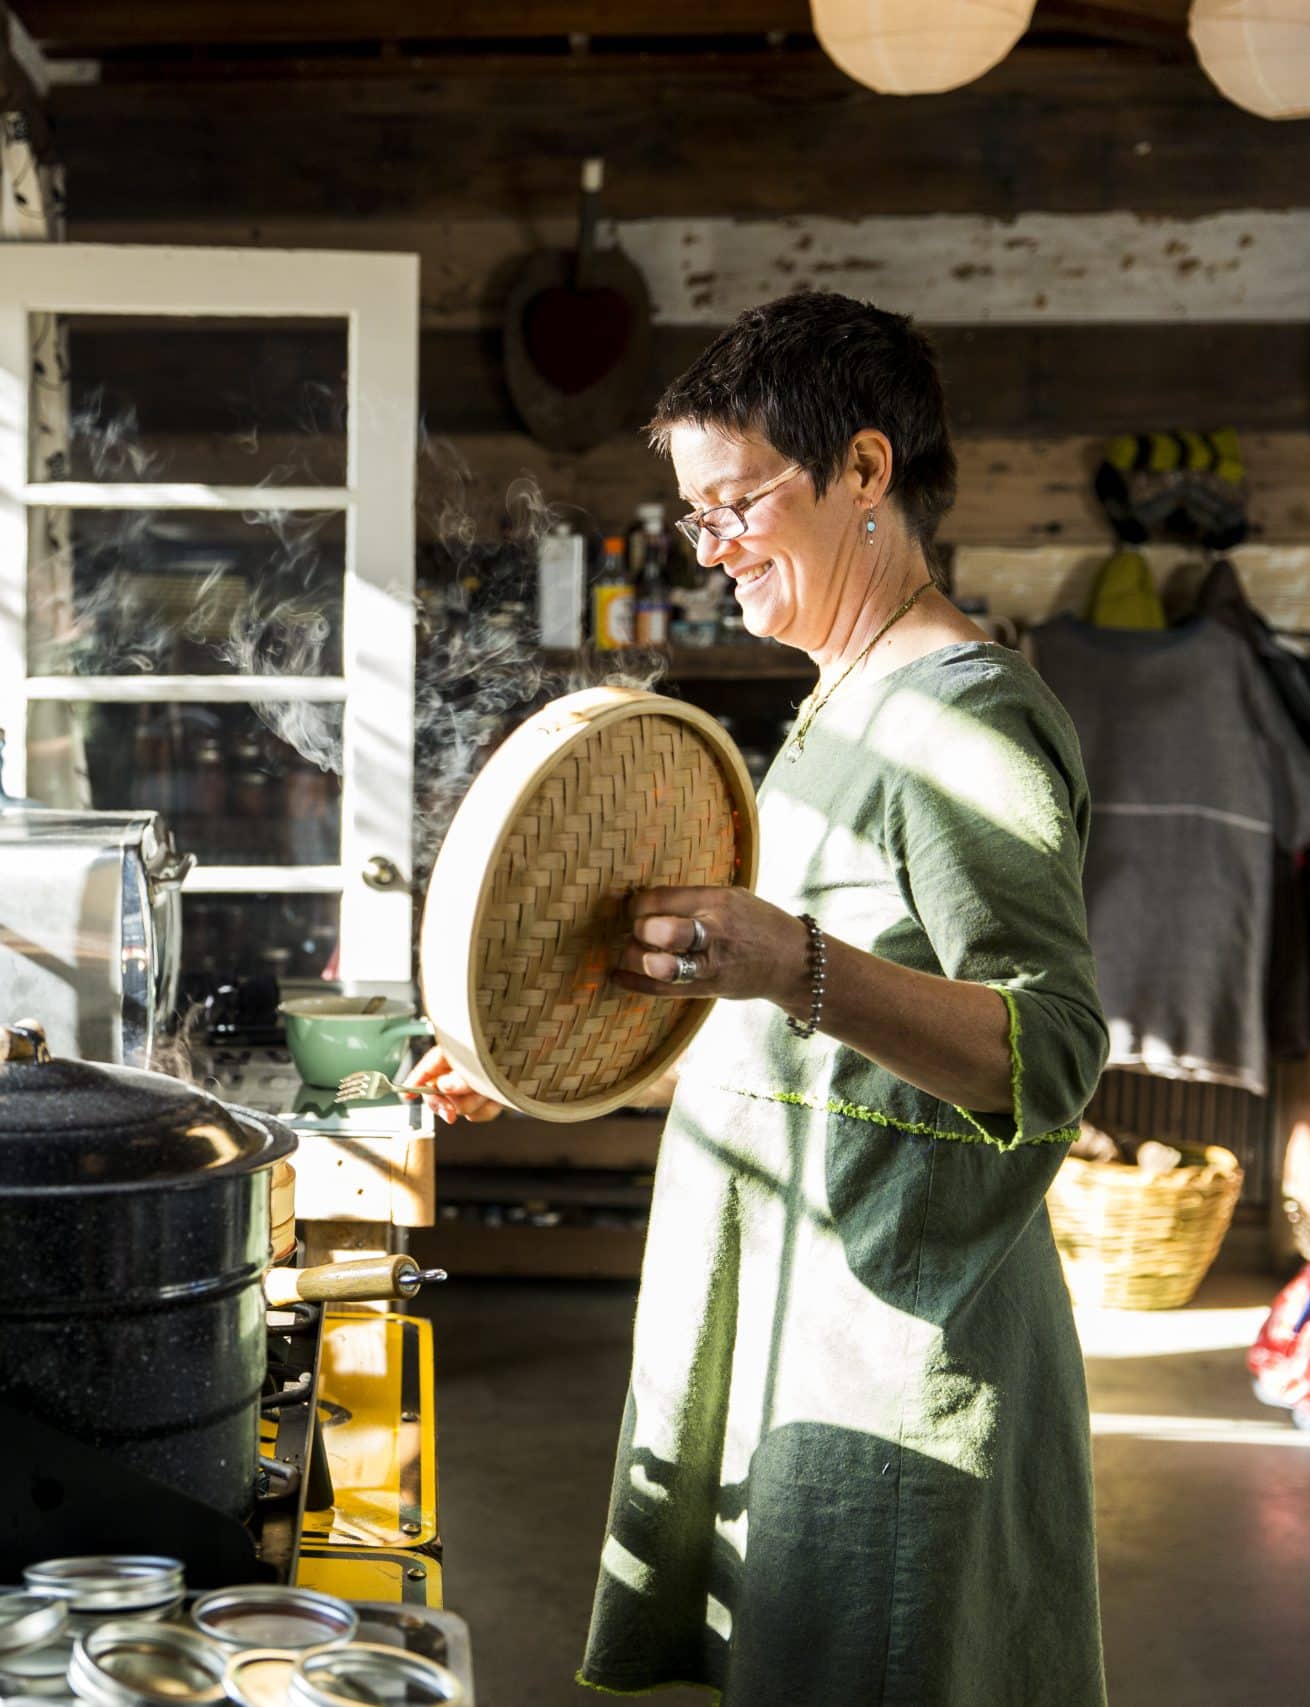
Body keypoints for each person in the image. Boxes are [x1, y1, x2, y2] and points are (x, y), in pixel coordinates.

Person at [412, 291, 1110, 1704]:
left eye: (737, 506)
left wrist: (788, 955)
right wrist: (564, 1062)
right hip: (792, 1331)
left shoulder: (965, 721)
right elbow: (797, 1043)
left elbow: (1052, 1052)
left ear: (864, 470)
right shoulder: (836, 705)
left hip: (904, 1344)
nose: (712, 549)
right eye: (697, 519)